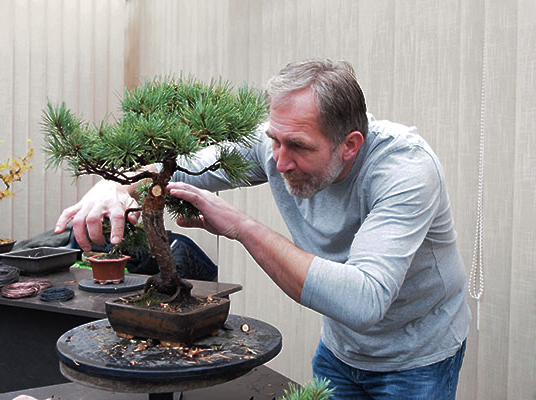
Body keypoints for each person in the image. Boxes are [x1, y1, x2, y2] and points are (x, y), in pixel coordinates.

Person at [55, 59, 470, 399]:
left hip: (416, 357)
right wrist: (115, 184)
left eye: (299, 147)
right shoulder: (280, 140)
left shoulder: (404, 171)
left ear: (350, 145)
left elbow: (364, 302)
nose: (280, 161)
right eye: (274, 140)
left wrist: (240, 226)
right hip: (340, 349)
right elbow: (182, 166)